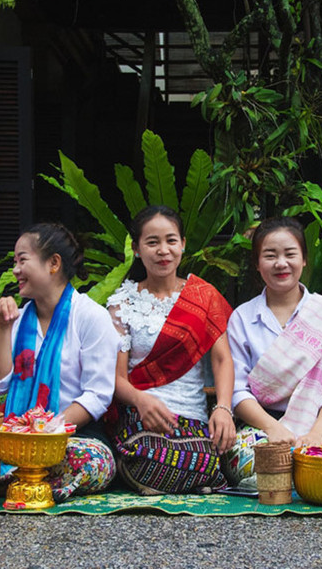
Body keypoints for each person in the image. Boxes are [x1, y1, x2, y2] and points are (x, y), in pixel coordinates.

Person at [223, 218, 322, 488]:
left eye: (290, 254)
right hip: (260, 430)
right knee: (247, 459)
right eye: (270, 255)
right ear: (257, 264)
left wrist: (315, 435)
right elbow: (236, 391)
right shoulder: (243, 317)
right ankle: (294, 482)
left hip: (314, 431)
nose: (281, 263)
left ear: (304, 260)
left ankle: (278, 481)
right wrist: (273, 429)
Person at [0, 223, 119, 500]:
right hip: (18, 437)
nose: (15, 270)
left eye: (22, 260)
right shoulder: (18, 320)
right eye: (15, 262)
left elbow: (98, 395)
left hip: (72, 437)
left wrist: (45, 433)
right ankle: (27, 478)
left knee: (92, 462)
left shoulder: (91, 316)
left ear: (53, 263)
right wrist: (3, 327)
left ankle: (14, 479)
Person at [107, 205, 236, 494]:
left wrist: (224, 409)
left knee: (202, 459)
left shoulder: (204, 296)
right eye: (152, 242)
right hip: (142, 417)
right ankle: (191, 481)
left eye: (171, 240)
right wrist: (141, 400)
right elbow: (115, 378)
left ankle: (163, 480)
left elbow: (222, 359)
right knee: (146, 456)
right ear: (136, 248)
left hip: (193, 420)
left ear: (183, 245)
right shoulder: (121, 304)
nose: (163, 250)